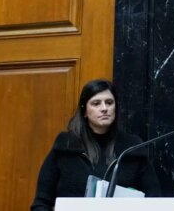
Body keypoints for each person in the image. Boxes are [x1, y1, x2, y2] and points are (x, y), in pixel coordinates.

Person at [31, 79, 160, 210]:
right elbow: (41, 203)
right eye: (96, 103)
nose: (104, 108)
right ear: (85, 111)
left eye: (109, 103)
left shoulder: (132, 148)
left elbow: (155, 200)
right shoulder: (66, 146)